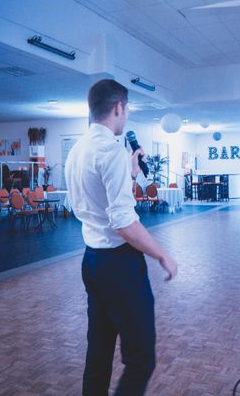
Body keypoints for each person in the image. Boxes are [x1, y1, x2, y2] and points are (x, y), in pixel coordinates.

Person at [65, 79, 178, 396]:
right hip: (120, 266)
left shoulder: (78, 150)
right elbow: (124, 223)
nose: (126, 116)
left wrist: (128, 173)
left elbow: (103, 204)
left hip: (93, 262)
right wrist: (162, 254)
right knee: (141, 358)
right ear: (118, 107)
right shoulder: (110, 151)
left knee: (98, 352)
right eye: (126, 110)